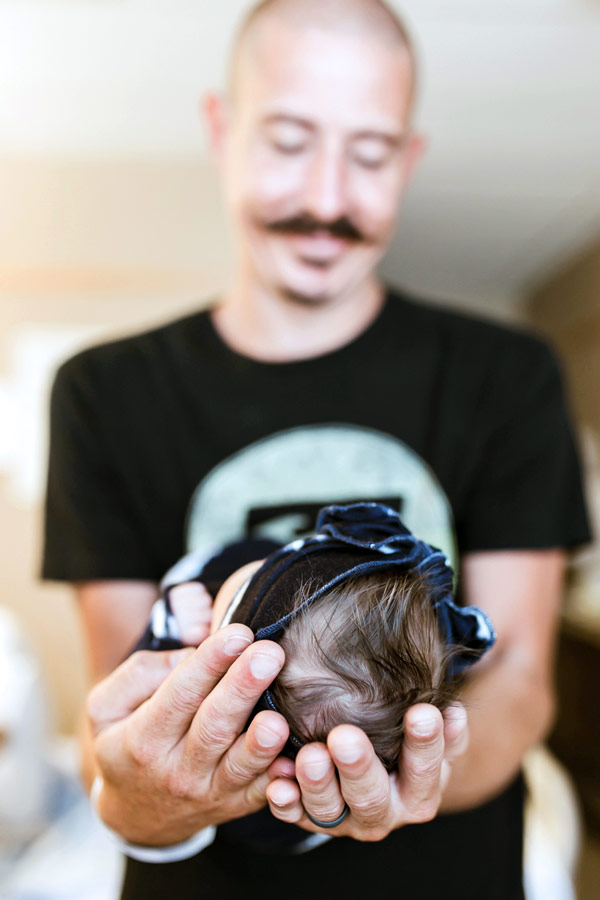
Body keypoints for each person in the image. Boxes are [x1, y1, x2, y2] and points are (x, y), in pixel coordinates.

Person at [42, 1, 590, 898]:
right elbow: (127, 697)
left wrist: (416, 769)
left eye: (369, 155)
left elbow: (520, 674)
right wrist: (141, 790)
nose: (328, 200)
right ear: (223, 129)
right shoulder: (103, 392)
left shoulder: (508, 375)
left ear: (408, 160)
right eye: (291, 142)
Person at [138, 502, 496, 779]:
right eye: (268, 569)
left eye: (241, 596)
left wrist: (168, 624)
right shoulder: (264, 552)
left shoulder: (192, 666)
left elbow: (144, 710)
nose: (252, 566)